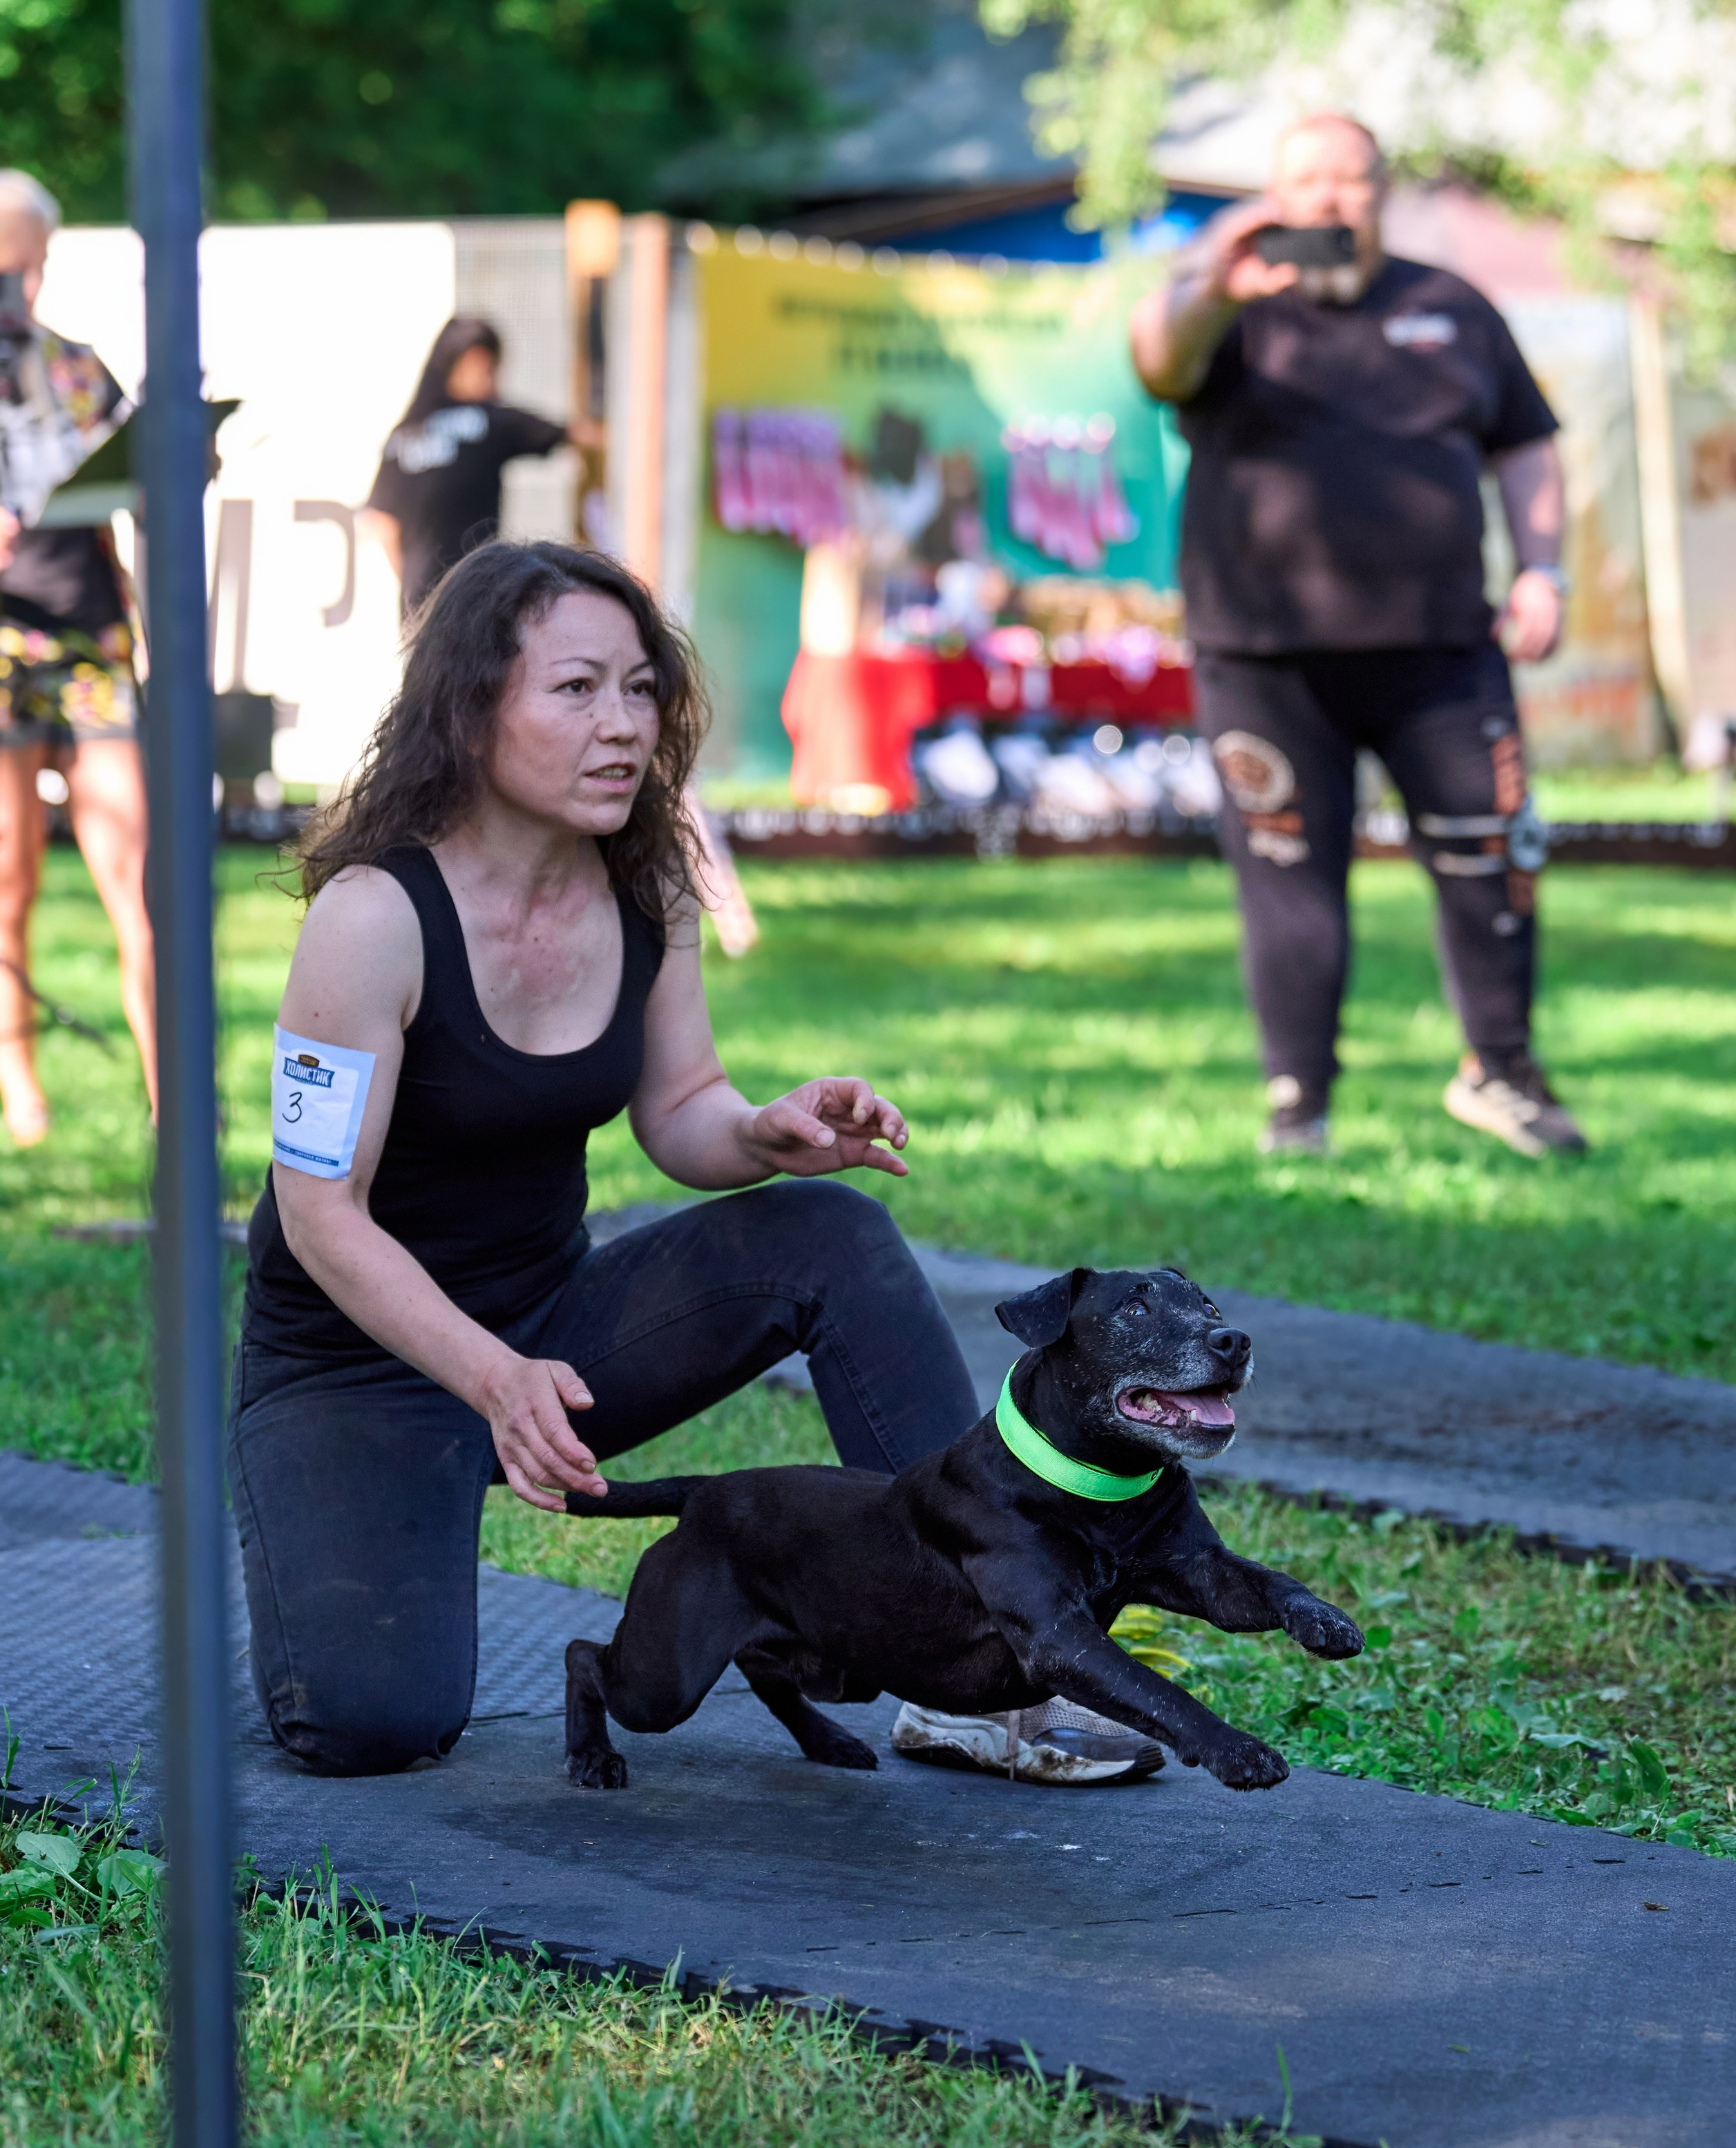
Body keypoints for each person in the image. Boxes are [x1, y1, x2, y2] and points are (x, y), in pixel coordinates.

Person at [232, 540, 1159, 1786]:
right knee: (371, 1724)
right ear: (470, 708)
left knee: (831, 1234)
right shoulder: (371, 918)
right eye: (576, 689)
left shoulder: (644, 881)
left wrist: (767, 1130)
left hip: (551, 1327)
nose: (623, 725)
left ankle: (985, 1670)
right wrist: (492, 1379)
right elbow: (320, 1213)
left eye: (639, 687)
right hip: (360, 1365)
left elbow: (678, 1107)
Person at [1130, 114, 1586, 1160]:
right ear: (1274, 196)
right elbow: (1157, 364)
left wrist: (1542, 570)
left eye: (1351, 180)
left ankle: (1502, 1072)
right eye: (1307, 181)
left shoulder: (1452, 305)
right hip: (1265, 659)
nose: (1331, 200)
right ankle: (1299, 1106)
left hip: (1442, 653)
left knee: (1495, 853)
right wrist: (1213, 282)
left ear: (1383, 191)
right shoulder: (1227, 302)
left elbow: (1527, 443)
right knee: (1289, 879)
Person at [0, 168, 155, 1145]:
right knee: (7, 875)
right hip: (3, 646)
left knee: (136, 872)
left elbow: (136, 472)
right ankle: (19, 1082)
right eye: (12, 265)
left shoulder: (75, 368)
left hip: (92, 636)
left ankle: (171, 1094)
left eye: (35, 263)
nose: (26, 282)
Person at [362, 316, 600, 622]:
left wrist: (415, 587)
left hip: (422, 608)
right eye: (487, 369)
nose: (492, 381)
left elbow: (381, 523)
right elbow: (578, 434)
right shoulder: (487, 421)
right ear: (468, 362)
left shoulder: (404, 435)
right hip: (477, 597)